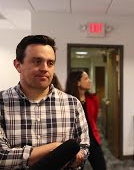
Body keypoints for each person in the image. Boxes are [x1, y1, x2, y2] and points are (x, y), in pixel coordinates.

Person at [0, 35, 90, 169]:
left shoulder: (72, 104)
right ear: (18, 65)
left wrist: (75, 156)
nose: (45, 68)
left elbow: (83, 149)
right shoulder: (1, 103)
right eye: (37, 61)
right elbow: (2, 158)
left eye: (50, 63)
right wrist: (57, 149)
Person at [65, 70, 107, 170]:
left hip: (92, 139)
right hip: (75, 142)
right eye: (86, 78)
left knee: (101, 166)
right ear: (78, 82)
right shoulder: (68, 100)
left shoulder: (92, 99)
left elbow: (94, 118)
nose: (90, 80)